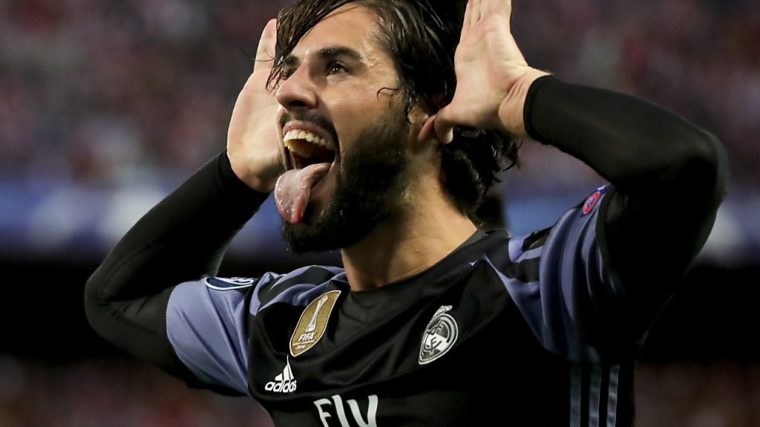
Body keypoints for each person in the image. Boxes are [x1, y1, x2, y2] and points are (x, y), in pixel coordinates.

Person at [85, 0, 727, 425]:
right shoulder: (281, 326)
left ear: (428, 107)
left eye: (336, 67)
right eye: (290, 71)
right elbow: (117, 299)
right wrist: (236, 177)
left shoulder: (542, 289)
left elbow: (682, 168)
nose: (289, 92)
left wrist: (520, 95)